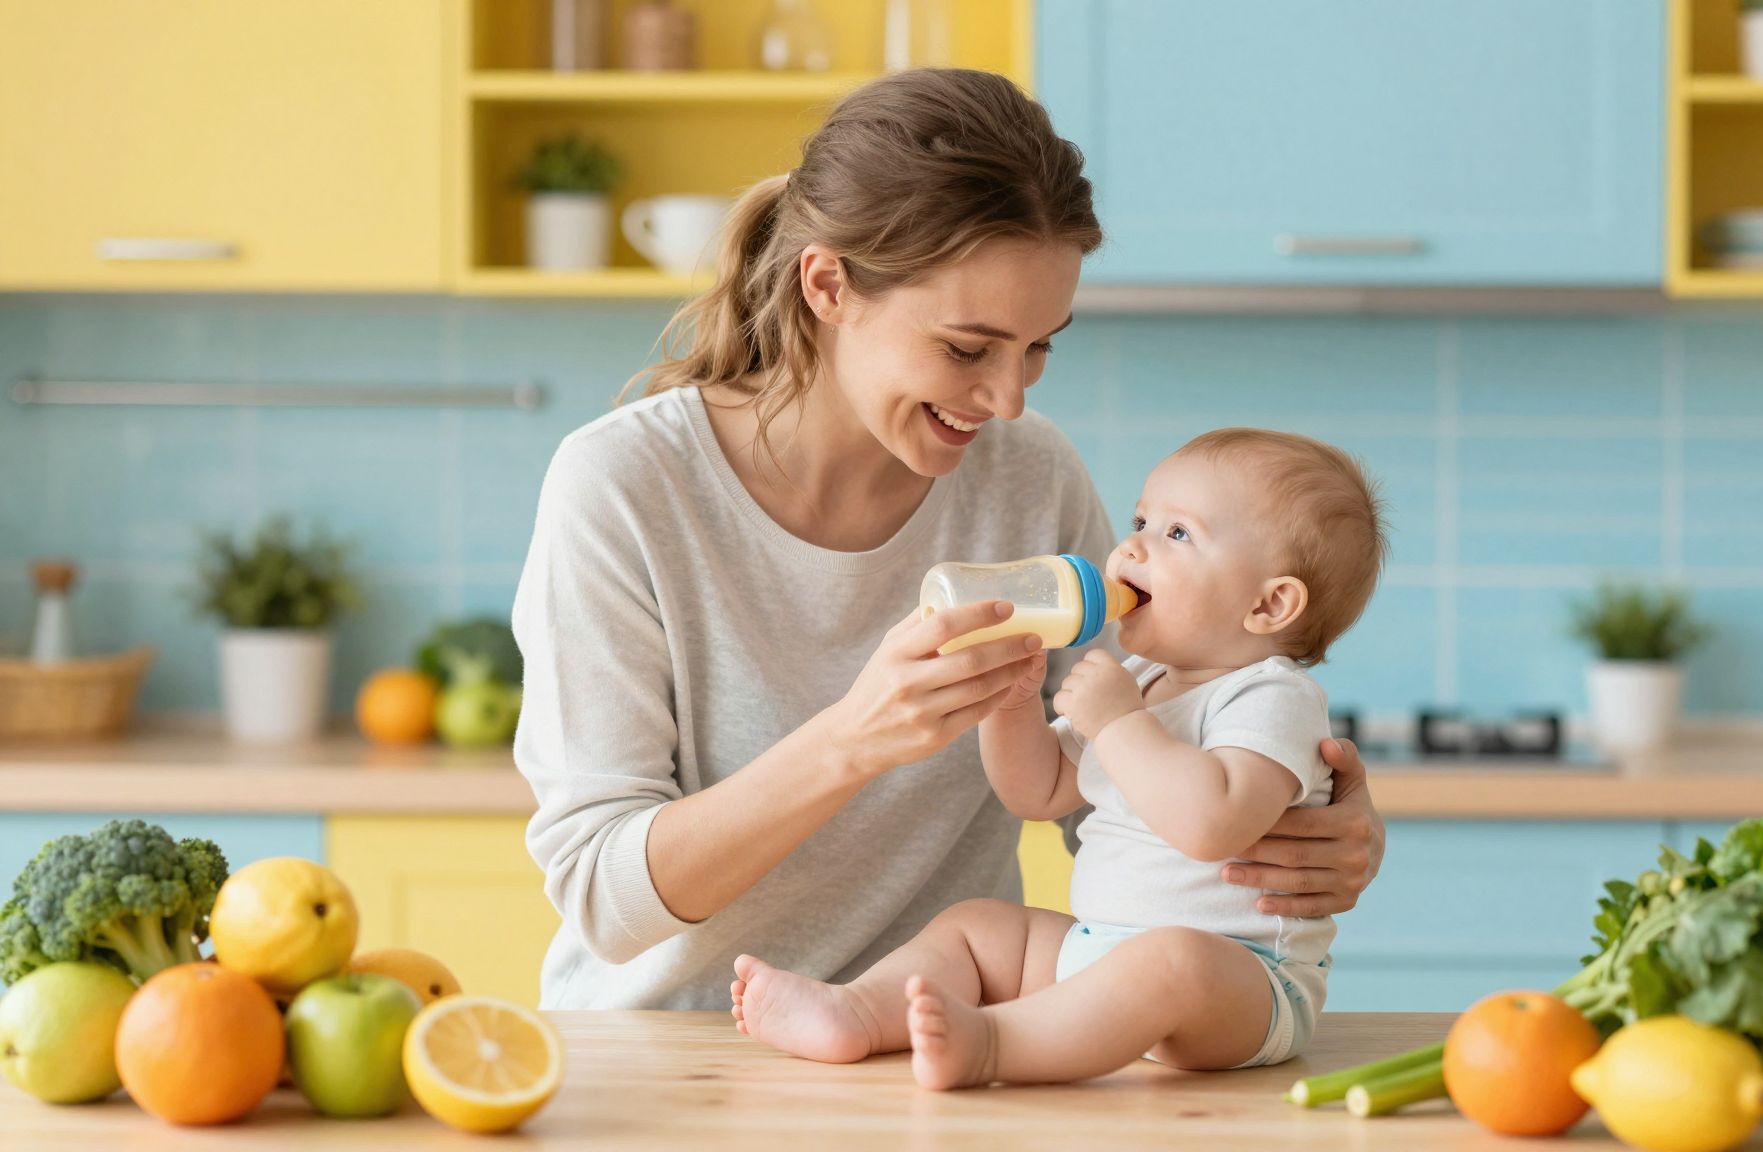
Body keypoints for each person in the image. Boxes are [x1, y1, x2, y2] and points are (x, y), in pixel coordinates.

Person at [512, 69, 1384, 1012]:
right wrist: (853, 739)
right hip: (674, 1060)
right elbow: (605, 898)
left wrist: (1292, 830)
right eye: (969, 350)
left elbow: (1105, 791)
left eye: (1040, 346)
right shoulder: (627, 487)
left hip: (943, 1044)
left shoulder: (1028, 473)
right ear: (829, 285)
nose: (1009, 400)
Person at [731, 430, 1385, 1085]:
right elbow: (1037, 791)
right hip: (1101, 953)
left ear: (1269, 604)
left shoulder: (1272, 694)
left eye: (1178, 534)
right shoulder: (1144, 679)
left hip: (1239, 982)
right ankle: (858, 1014)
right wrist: (1013, 706)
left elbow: (1211, 825)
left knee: (1171, 959)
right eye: (1140, 521)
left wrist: (1119, 720)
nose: (1132, 546)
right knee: (977, 926)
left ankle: (991, 1045)